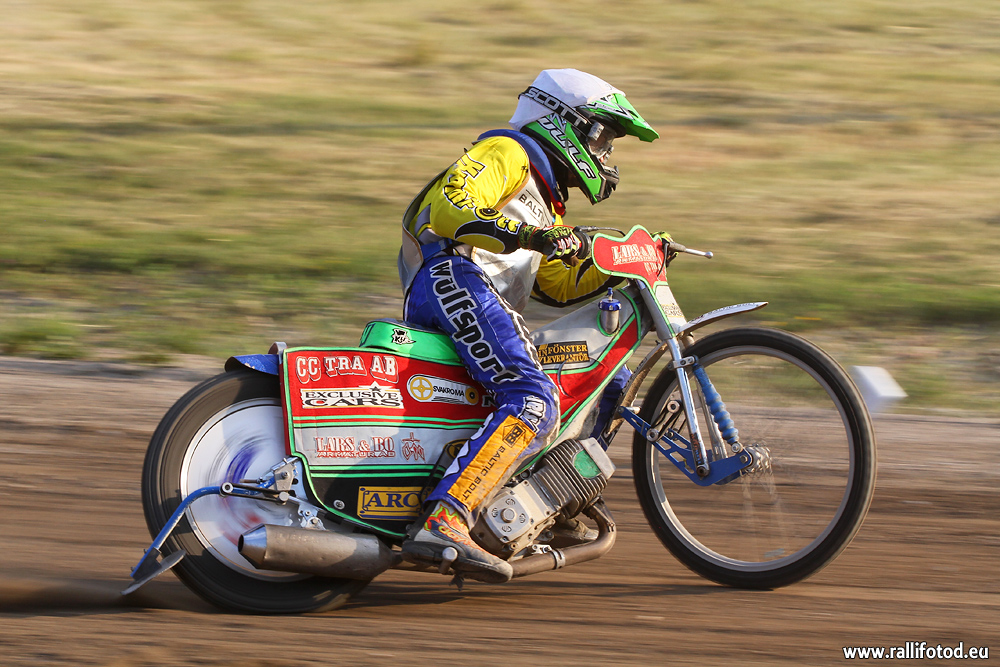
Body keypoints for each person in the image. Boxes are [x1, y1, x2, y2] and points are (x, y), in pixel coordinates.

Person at [397, 69, 659, 583]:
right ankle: (445, 519)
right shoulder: (506, 151)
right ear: (564, 122)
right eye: (602, 138)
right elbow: (450, 207)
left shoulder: (547, 200)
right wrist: (529, 235)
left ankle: (549, 499)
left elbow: (557, 284)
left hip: (488, 299)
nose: (606, 155)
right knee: (533, 397)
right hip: (451, 276)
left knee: (609, 378)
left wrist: (627, 262)